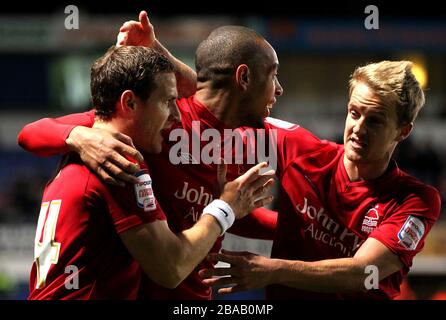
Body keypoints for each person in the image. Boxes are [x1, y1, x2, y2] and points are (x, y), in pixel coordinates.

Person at [19, 11, 309, 299]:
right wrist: (77, 135)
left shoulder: (211, 136)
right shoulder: (114, 152)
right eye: (273, 75)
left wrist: (302, 230)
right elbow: (172, 265)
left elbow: (220, 208)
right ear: (243, 77)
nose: (280, 89)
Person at [199, 61, 441, 299]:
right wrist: (227, 205)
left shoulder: (417, 200)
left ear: (403, 130)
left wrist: (271, 270)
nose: (358, 128)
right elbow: (220, 109)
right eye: (354, 113)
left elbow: (363, 273)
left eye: (375, 120)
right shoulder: (301, 150)